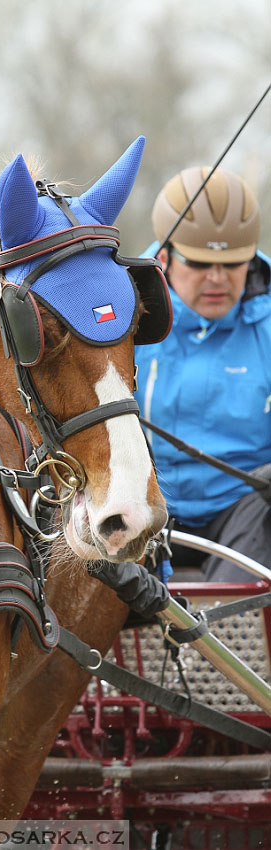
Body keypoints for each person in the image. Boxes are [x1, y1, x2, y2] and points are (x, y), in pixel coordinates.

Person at [134, 165, 271, 581]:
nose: (217, 279)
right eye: (199, 263)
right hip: (142, 505)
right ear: (164, 257)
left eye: (232, 264)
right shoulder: (119, 315)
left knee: (236, 609)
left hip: (245, 507)